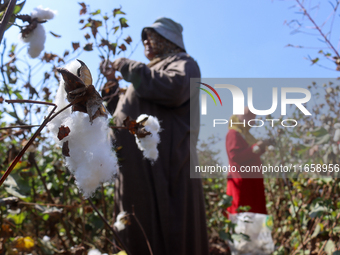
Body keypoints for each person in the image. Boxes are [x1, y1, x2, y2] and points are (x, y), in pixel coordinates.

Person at [102, 17, 209, 255]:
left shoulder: (184, 63)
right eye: (145, 37)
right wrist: (111, 84)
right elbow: (123, 111)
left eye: (151, 36)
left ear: (168, 39)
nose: (146, 41)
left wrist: (129, 67)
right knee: (135, 220)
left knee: (167, 225)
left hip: (164, 166)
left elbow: (175, 89)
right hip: (135, 167)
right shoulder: (150, 72)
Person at [225, 107, 272, 215]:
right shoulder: (233, 134)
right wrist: (256, 147)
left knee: (255, 217)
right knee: (243, 216)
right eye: (250, 118)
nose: (253, 122)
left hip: (252, 186)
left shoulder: (246, 136)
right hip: (243, 186)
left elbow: (250, 154)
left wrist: (262, 147)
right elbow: (235, 156)